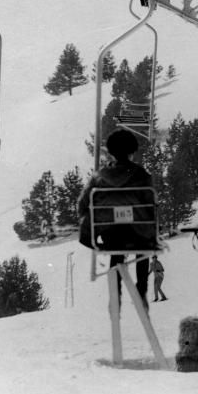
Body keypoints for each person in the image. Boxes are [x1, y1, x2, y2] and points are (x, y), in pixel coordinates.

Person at [77, 129, 155, 310]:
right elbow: (150, 204)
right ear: (132, 151)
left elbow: (82, 204)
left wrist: (90, 225)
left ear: (110, 151)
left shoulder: (99, 177)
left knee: (116, 252)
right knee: (142, 249)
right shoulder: (141, 175)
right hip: (137, 233)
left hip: (110, 235)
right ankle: (141, 289)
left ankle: (115, 295)